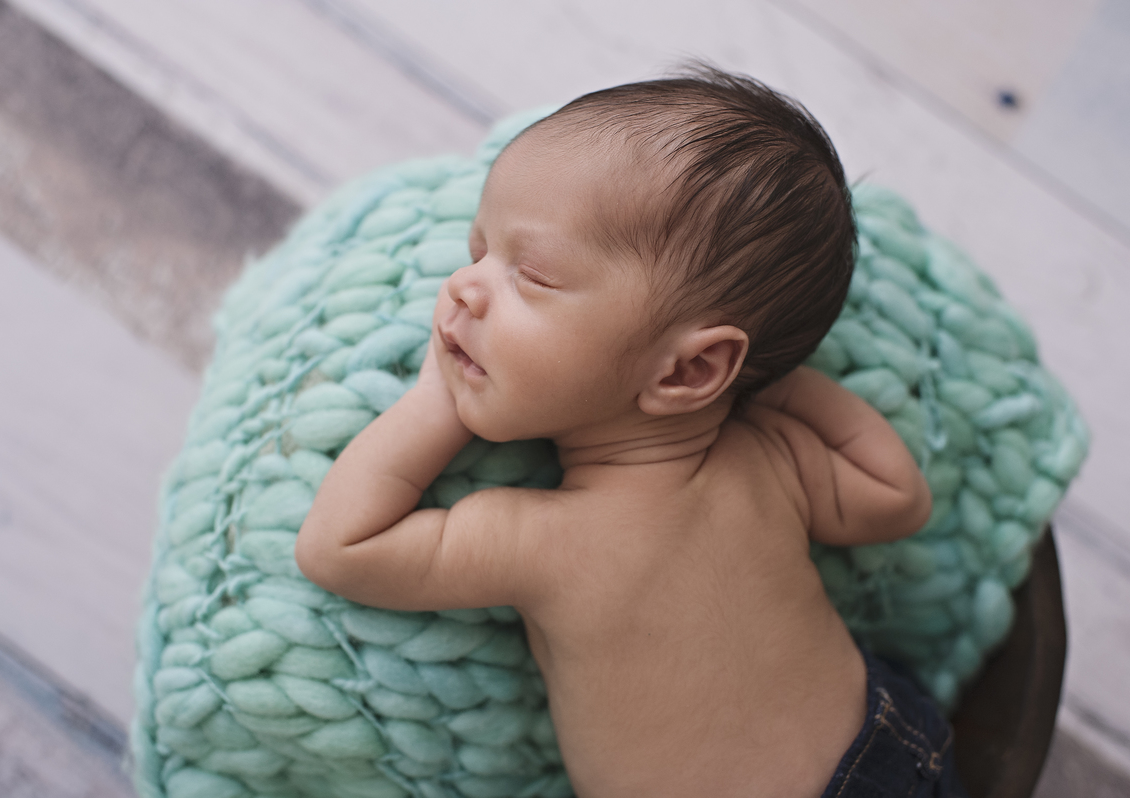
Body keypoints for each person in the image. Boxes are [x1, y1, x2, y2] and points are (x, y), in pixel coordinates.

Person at [296, 65, 967, 797]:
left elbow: (340, 548)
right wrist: (772, 384)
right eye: (477, 251)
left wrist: (435, 402)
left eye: (532, 275)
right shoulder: (774, 462)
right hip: (889, 751)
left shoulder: (539, 540)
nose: (462, 285)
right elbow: (898, 496)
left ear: (691, 370)